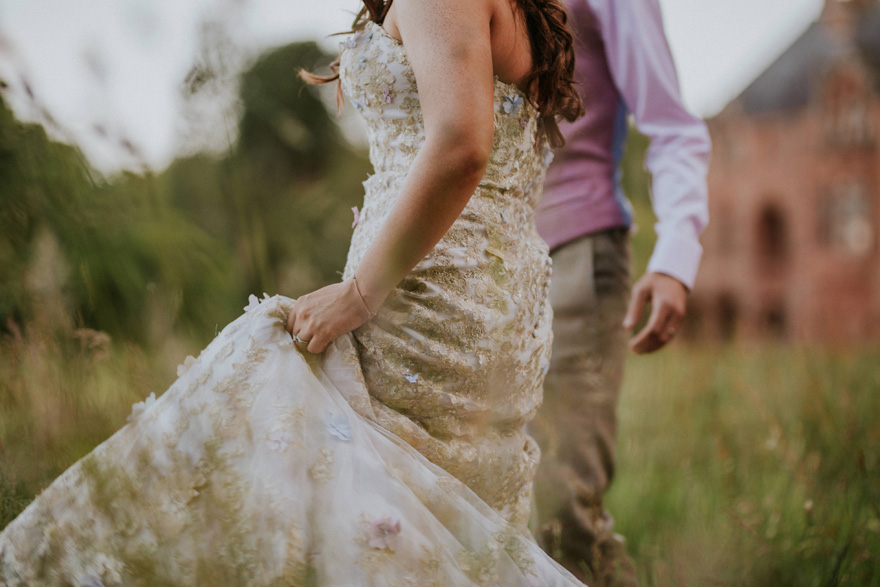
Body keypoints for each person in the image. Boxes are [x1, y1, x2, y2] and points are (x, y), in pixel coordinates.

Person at [0, 0, 591, 584]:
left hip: (429, 297)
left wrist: (358, 294)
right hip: (497, 297)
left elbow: (462, 146)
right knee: (427, 515)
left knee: (260, 386)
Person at [528, 0, 711, 584]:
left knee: (563, 509)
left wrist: (676, 254)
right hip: (486, 263)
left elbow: (672, 123)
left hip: (580, 250)